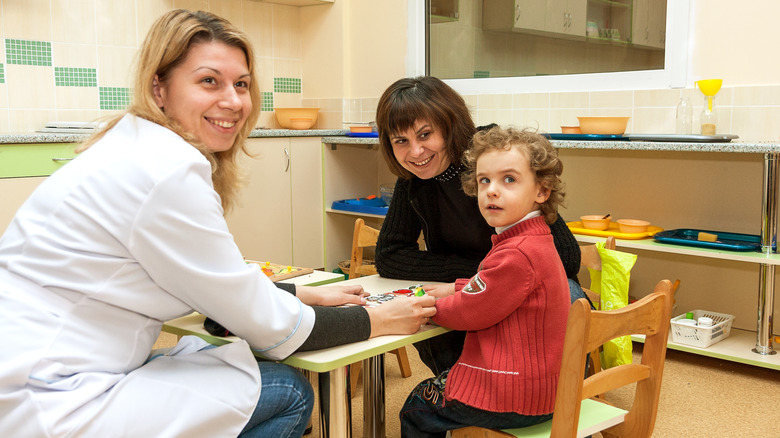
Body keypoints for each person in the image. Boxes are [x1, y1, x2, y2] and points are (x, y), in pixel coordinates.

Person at [0, 9, 435, 438]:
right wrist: (381, 319)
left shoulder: (133, 147)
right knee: (287, 388)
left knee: (221, 364)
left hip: (32, 371)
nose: (233, 100)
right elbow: (273, 329)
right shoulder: (165, 170)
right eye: (209, 81)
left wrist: (299, 292)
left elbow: (207, 285)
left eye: (241, 84)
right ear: (160, 86)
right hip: (50, 396)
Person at [374, 76, 582, 376]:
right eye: (401, 141)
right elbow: (389, 255)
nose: (416, 152)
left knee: (569, 295)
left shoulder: (490, 156)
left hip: (529, 285)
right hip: (477, 285)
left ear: (449, 125)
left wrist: (494, 276)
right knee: (423, 304)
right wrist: (478, 276)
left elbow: (565, 257)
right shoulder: (414, 179)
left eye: (425, 135)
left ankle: (562, 393)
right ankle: (463, 388)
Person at [399, 126, 571, 437]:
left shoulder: (515, 252)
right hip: (543, 389)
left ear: (541, 191)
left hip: (510, 392)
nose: (492, 190)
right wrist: (459, 286)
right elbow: (501, 290)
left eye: (509, 179)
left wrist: (429, 307)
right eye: (484, 180)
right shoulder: (535, 240)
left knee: (416, 407)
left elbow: (470, 311)